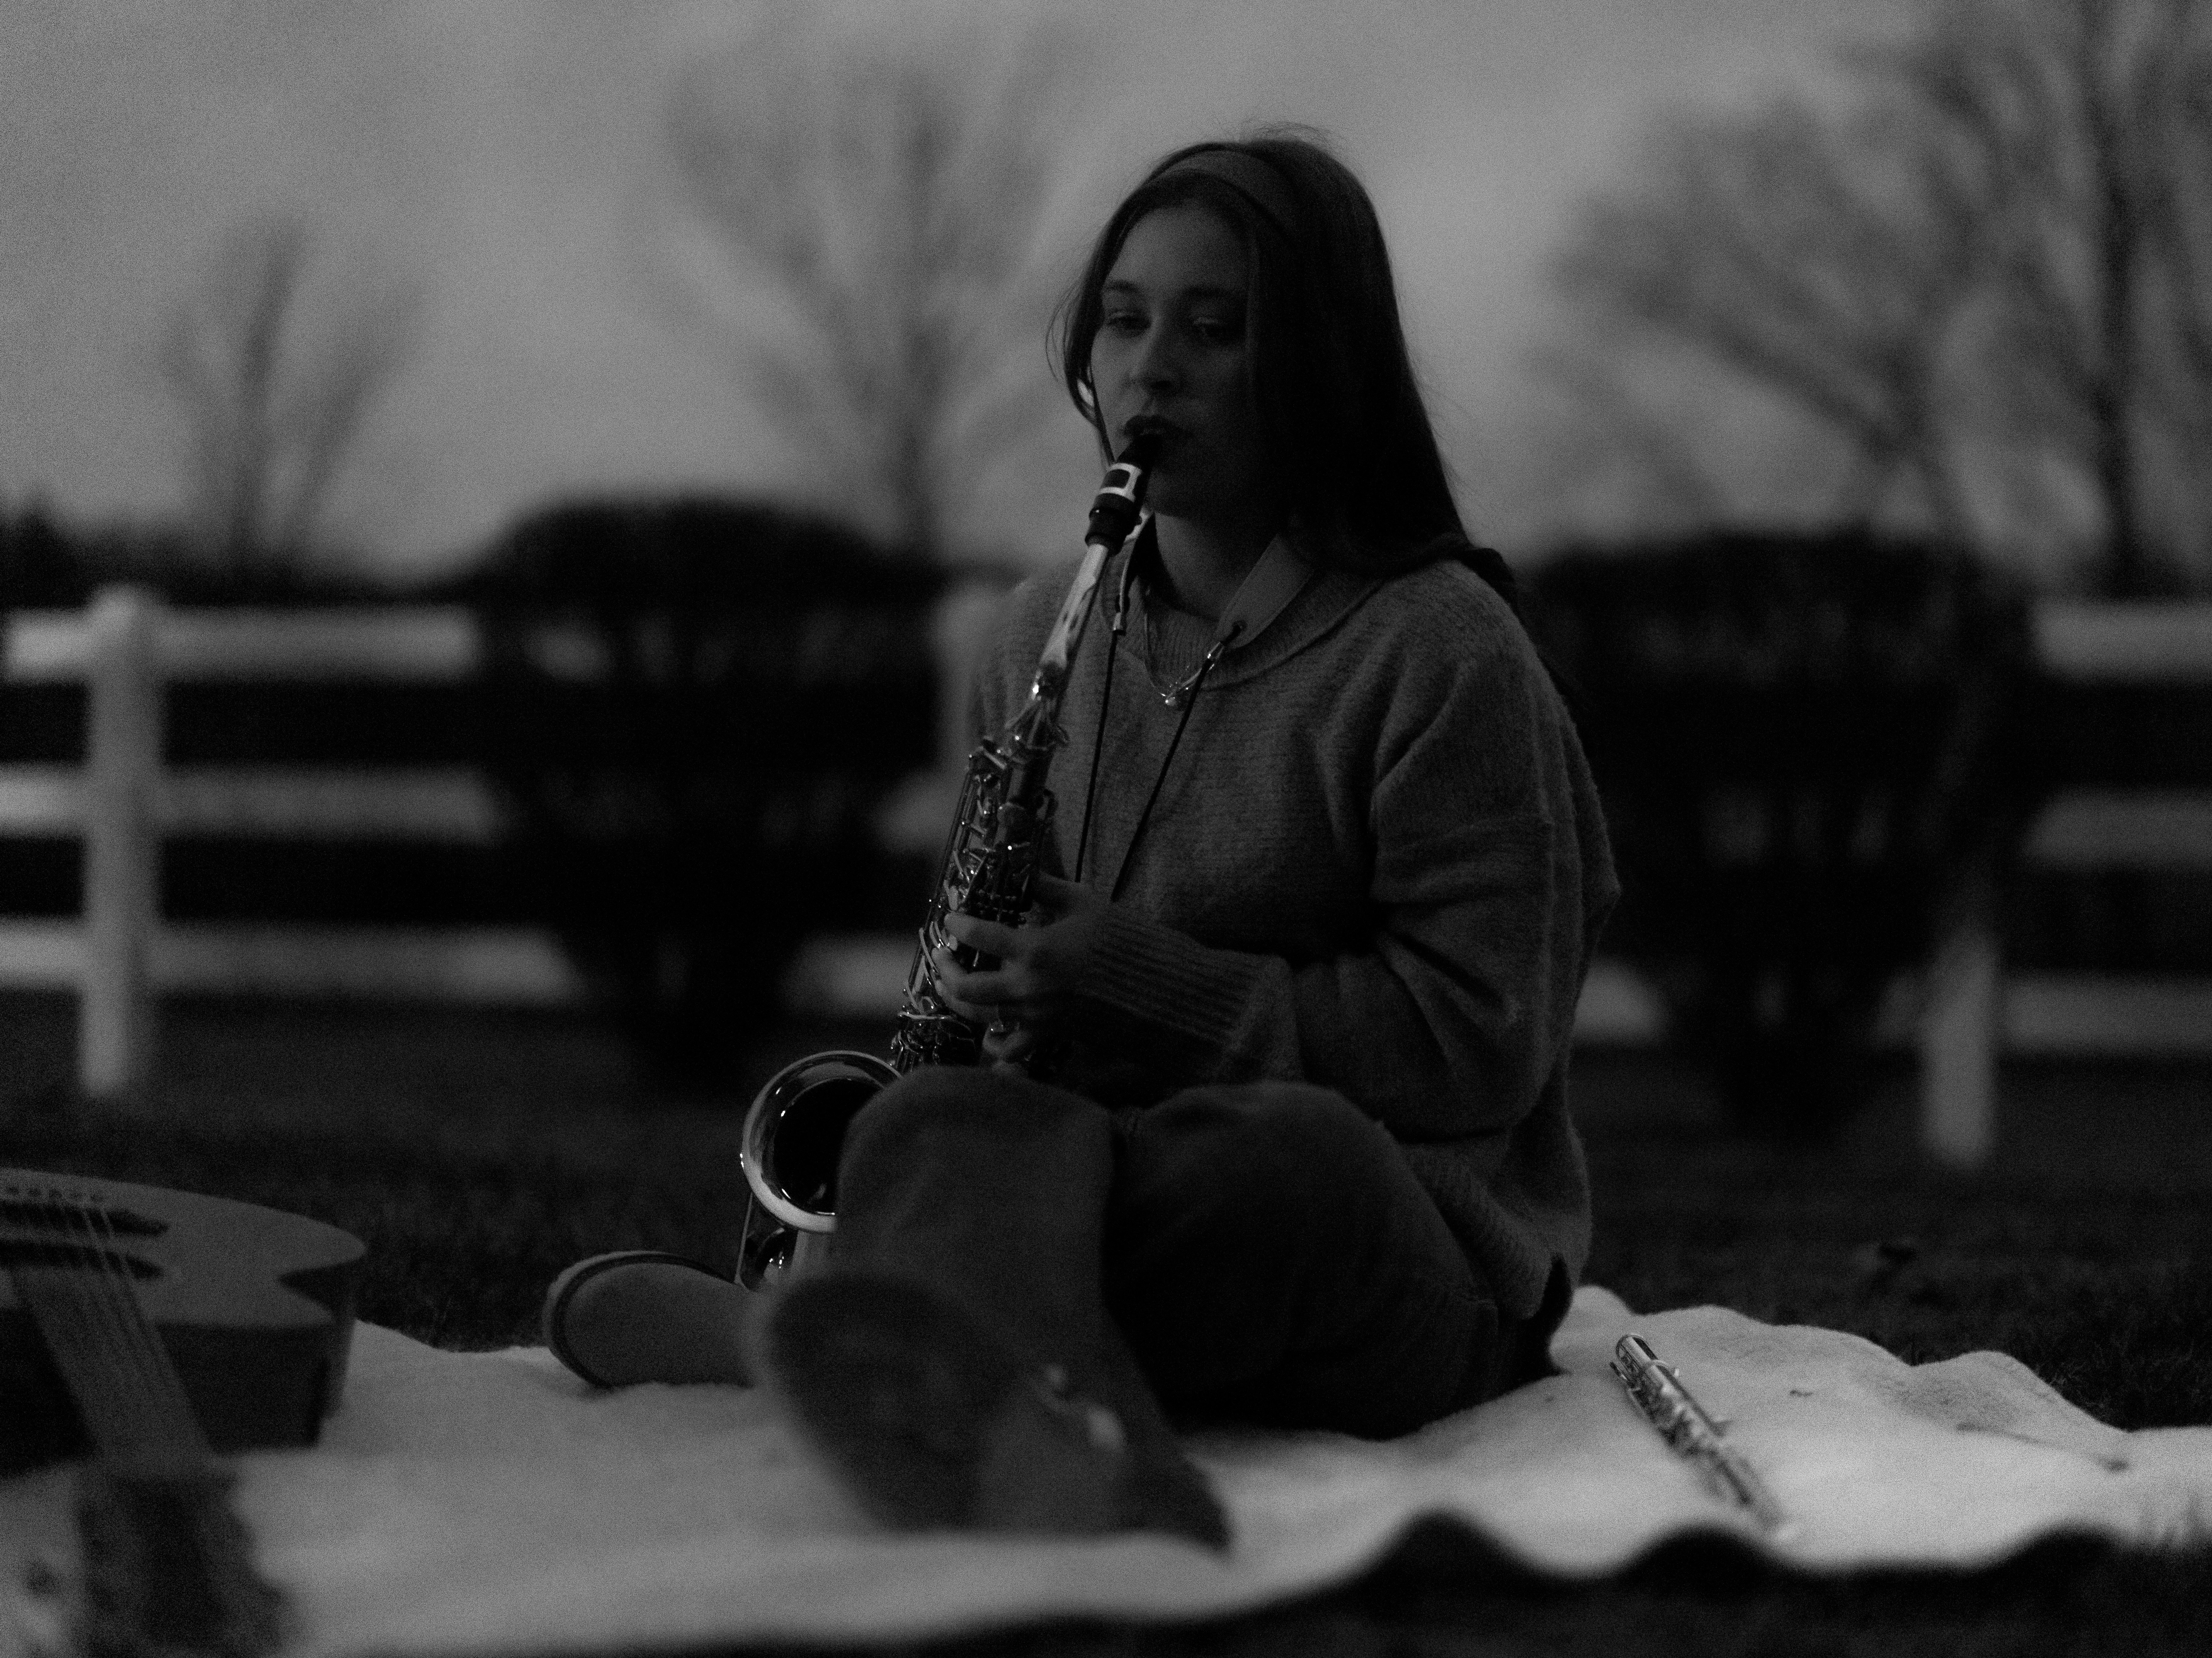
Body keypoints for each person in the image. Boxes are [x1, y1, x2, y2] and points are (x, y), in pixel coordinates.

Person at [543, 129, 1617, 1551]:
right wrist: (1005, 1010)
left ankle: (823, 1332)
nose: (1147, 368)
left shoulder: (1439, 651)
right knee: (926, 1116)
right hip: (1081, 1179)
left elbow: (1480, 1039)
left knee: (1283, 1159)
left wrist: (1130, 979)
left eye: (1212, 329)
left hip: (1405, 1238)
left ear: (1315, 363)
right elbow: (994, 1053)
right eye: (1122, 319)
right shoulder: (1032, 631)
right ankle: (1039, 1419)